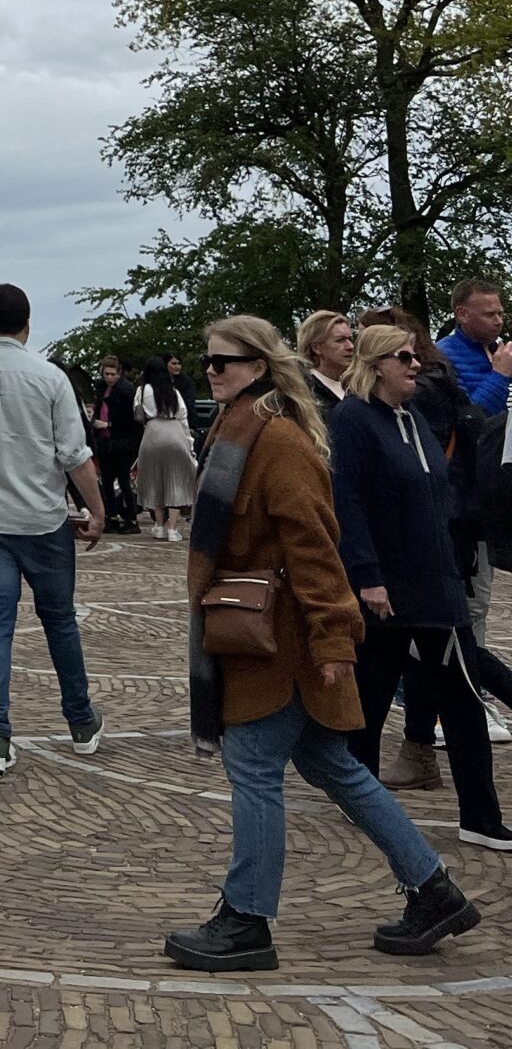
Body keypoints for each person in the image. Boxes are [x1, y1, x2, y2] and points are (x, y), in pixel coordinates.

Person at [164, 315, 480, 970]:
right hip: (257, 634)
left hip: (279, 643)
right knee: (332, 766)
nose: (212, 372)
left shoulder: (275, 441)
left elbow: (315, 546)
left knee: (254, 769)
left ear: (257, 365)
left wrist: (335, 637)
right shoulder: (233, 428)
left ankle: (247, 921)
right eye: (208, 364)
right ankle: (433, 888)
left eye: (223, 362)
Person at [332, 322, 512, 848]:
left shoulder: (412, 417)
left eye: (415, 355)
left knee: (461, 707)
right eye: (404, 356)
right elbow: (349, 503)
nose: (416, 364)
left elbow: (440, 497)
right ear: (376, 363)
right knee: (369, 702)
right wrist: (367, 577)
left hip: (437, 591)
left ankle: (479, 817)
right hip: (388, 594)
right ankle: (359, 800)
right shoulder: (354, 421)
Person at [0, 282, 105, 774]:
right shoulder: (50, 378)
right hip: (42, 519)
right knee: (60, 620)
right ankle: (79, 719)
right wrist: (96, 510)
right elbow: (74, 454)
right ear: (26, 323)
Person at [134, 355, 198, 543]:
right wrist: (190, 444)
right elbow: (183, 416)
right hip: (175, 432)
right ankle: (173, 529)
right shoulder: (173, 392)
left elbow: (138, 414)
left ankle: (159, 526)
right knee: (176, 479)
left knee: (155, 480)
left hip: (152, 434)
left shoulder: (142, 390)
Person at [440, 280, 512, 413]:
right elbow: (468, 419)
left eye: (500, 314)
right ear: (462, 314)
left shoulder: (500, 350)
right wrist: (500, 375)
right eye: (489, 315)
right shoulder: (443, 356)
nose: (499, 321)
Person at [88, 353, 140, 534]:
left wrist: (108, 424)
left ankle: (131, 519)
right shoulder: (102, 389)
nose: (110, 378)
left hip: (121, 440)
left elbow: (129, 419)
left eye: (113, 374)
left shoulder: (125, 390)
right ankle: (112, 517)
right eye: (107, 374)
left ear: (119, 373)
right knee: (107, 481)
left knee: (124, 480)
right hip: (105, 440)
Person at [295, 310, 356, 413]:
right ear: (316, 348)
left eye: (350, 339)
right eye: (340, 340)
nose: (350, 346)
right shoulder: (304, 393)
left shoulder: (356, 388)